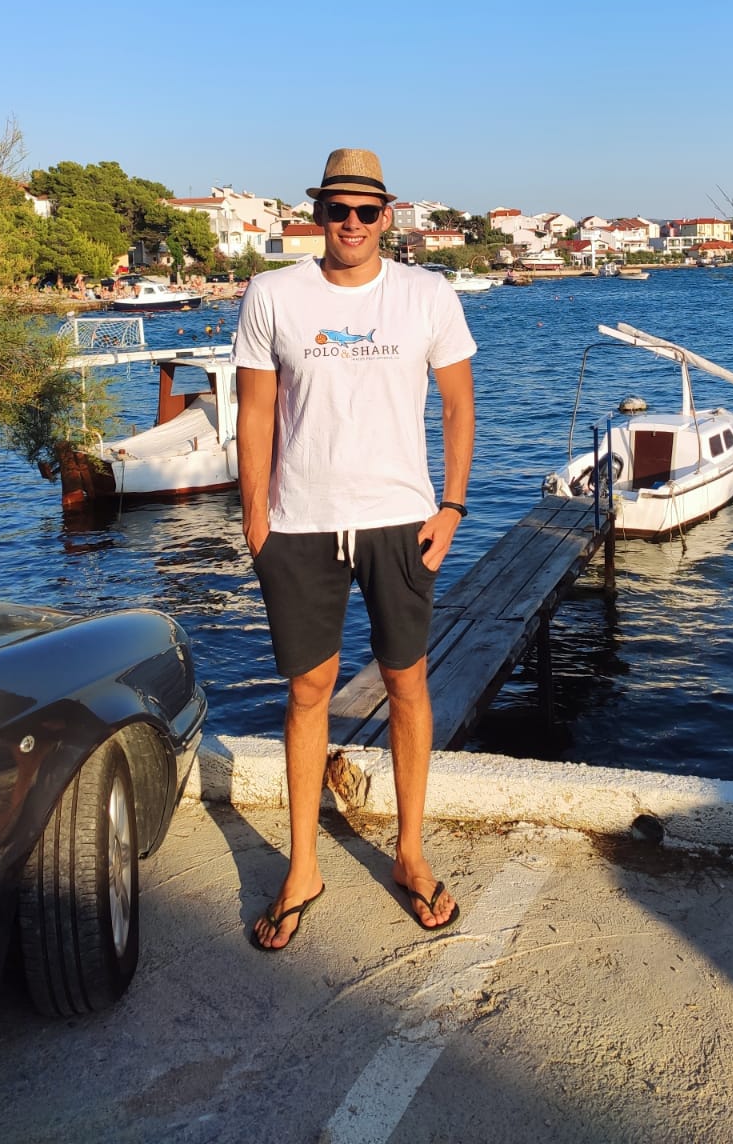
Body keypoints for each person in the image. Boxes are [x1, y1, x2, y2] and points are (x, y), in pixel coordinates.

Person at [234, 148, 476, 949]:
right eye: (336, 209)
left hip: (400, 522)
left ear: (387, 216)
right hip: (299, 525)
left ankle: (408, 853)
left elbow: (458, 405)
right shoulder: (272, 295)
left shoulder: (427, 294)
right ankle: (302, 866)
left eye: (365, 211)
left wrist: (451, 504)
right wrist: (256, 522)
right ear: (317, 215)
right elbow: (257, 416)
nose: (350, 223)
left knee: (407, 683)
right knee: (310, 691)